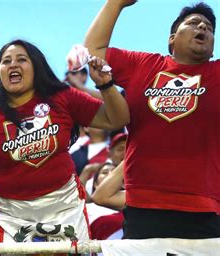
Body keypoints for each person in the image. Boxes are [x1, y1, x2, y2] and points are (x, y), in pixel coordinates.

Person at [0, 39, 129, 254]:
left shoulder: (62, 97)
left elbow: (117, 119)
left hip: (64, 206)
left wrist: (105, 85)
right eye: (6, 61)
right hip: (9, 214)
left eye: (22, 59)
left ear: (36, 67)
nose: (13, 65)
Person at [85, 1, 219, 239]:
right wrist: (116, 4)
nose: (202, 27)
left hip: (205, 209)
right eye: (193, 23)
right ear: (172, 39)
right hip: (142, 207)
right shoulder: (144, 65)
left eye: (209, 27)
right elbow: (93, 51)